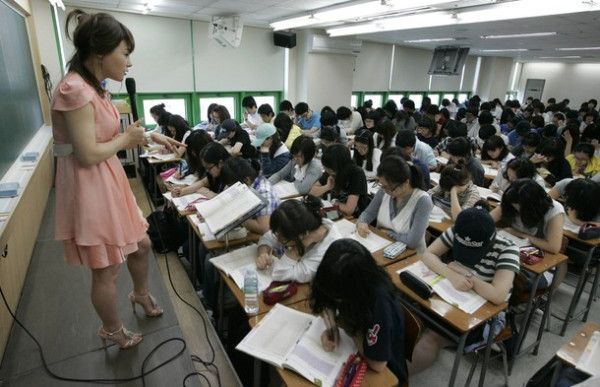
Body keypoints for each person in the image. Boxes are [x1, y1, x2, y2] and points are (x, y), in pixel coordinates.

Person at [51, 9, 185, 349]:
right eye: (125, 54)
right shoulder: (74, 90)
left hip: (107, 178)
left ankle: (139, 294)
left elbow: (107, 132)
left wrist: (150, 137)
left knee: (142, 244)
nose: (129, 63)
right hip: (90, 184)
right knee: (105, 268)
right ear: (100, 52)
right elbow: (87, 153)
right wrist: (126, 142)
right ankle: (111, 329)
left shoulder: (94, 87)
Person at [409, 207, 519, 375]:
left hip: (484, 315)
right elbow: (428, 254)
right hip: (450, 296)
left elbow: (498, 296)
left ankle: (395, 380)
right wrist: (450, 274)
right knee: (405, 315)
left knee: (433, 336)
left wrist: (465, 274)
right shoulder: (461, 229)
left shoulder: (508, 249)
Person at [309, 239, 408, 385]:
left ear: (354, 290)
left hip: (385, 374)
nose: (336, 300)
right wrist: (331, 327)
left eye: (338, 296)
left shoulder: (380, 304)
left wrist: (348, 328)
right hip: (354, 350)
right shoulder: (351, 278)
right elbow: (324, 299)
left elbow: (378, 365)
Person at [255, 196, 341, 283]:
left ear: (303, 235)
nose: (277, 238)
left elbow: (279, 273)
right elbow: (267, 237)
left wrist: (302, 245)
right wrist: (263, 254)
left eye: (282, 238)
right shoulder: (304, 221)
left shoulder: (326, 251)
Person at [357, 156, 432, 252]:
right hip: (382, 247)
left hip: (411, 256)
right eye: (382, 186)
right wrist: (362, 223)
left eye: (390, 188)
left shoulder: (422, 201)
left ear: (405, 183)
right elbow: (368, 213)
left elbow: (412, 242)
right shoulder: (384, 190)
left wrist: (387, 233)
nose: (386, 191)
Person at [490, 179, 564, 254]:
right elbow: (488, 221)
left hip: (535, 256)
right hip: (509, 247)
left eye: (521, 208)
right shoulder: (511, 200)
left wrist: (519, 234)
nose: (517, 211)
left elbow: (554, 247)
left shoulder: (554, 210)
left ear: (533, 205)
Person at [219, 157, 279, 235]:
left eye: (232, 187)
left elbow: (264, 228)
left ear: (247, 180)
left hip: (265, 239)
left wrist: (236, 218)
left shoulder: (263, 193)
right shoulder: (246, 183)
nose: (231, 190)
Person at [310, 144, 369, 217]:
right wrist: (327, 187)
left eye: (328, 169)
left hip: (353, 218)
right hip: (334, 211)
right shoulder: (331, 170)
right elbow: (312, 192)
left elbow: (349, 210)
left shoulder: (356, 174)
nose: (326, 170)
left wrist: (335, 202)